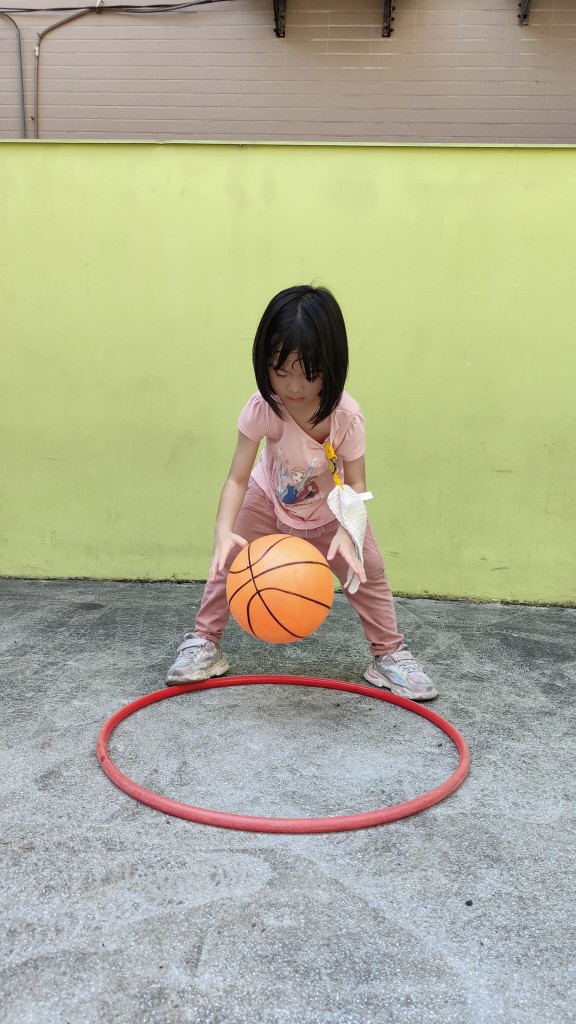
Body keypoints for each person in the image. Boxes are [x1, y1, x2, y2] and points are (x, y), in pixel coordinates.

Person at [166, 285, 437, 701]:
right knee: (229, 559)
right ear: (264, 362)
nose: (293, 385)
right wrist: (223, 530)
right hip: (267, 499)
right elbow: (237, 478)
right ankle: (204, 641)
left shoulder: (347, 417)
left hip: (332, 511)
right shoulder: (264, 408)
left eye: (308, 372)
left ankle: (389, 654)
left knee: (368, 570)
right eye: (280, 370)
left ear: (332, 364)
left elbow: (357, 484)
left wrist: (348, 531)